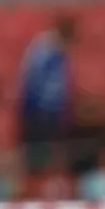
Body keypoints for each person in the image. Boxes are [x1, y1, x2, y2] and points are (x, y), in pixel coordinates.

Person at [17, 13, 76, 199]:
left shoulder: (58, 53)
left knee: (52, 159)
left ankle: (50, 193)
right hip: (37, 114)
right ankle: (29, 195)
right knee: (36, 162)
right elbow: (33, 85)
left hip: (53, 115)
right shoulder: (44, 50)